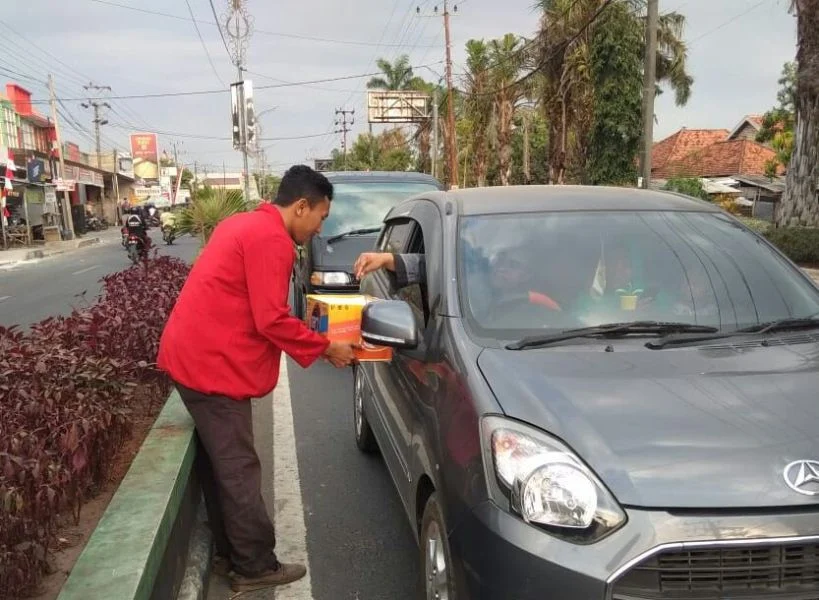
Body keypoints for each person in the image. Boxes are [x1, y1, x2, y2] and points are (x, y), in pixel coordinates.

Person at [157, 165, 357, 594]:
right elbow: (271, 318)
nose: (320, 227)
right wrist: (326, 347)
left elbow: (257, 307)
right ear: (301, 206)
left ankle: (230, 552)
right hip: (210, 365)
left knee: (222, 466)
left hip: (195, 356)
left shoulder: (245, 223)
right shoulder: (272, 240)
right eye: (321, 217)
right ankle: (253, 566)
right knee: (239, 469)